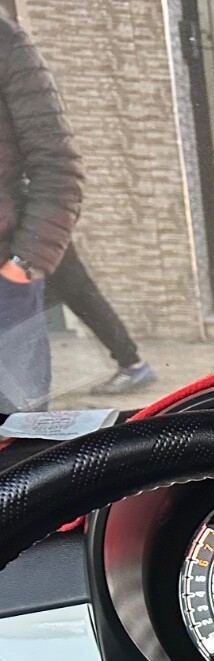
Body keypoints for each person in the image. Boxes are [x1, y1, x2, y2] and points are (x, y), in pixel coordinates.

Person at [0, 13, 82, 413]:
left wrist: (24, 265)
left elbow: (57, 167)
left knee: (18, 433)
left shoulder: (4, 43)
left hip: (5, 286)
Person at [46, 242, 157, 395]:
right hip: (34, 243)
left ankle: (133, 365)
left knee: (84, 299)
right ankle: (132, 364)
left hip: (42, 242)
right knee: (83, 298)